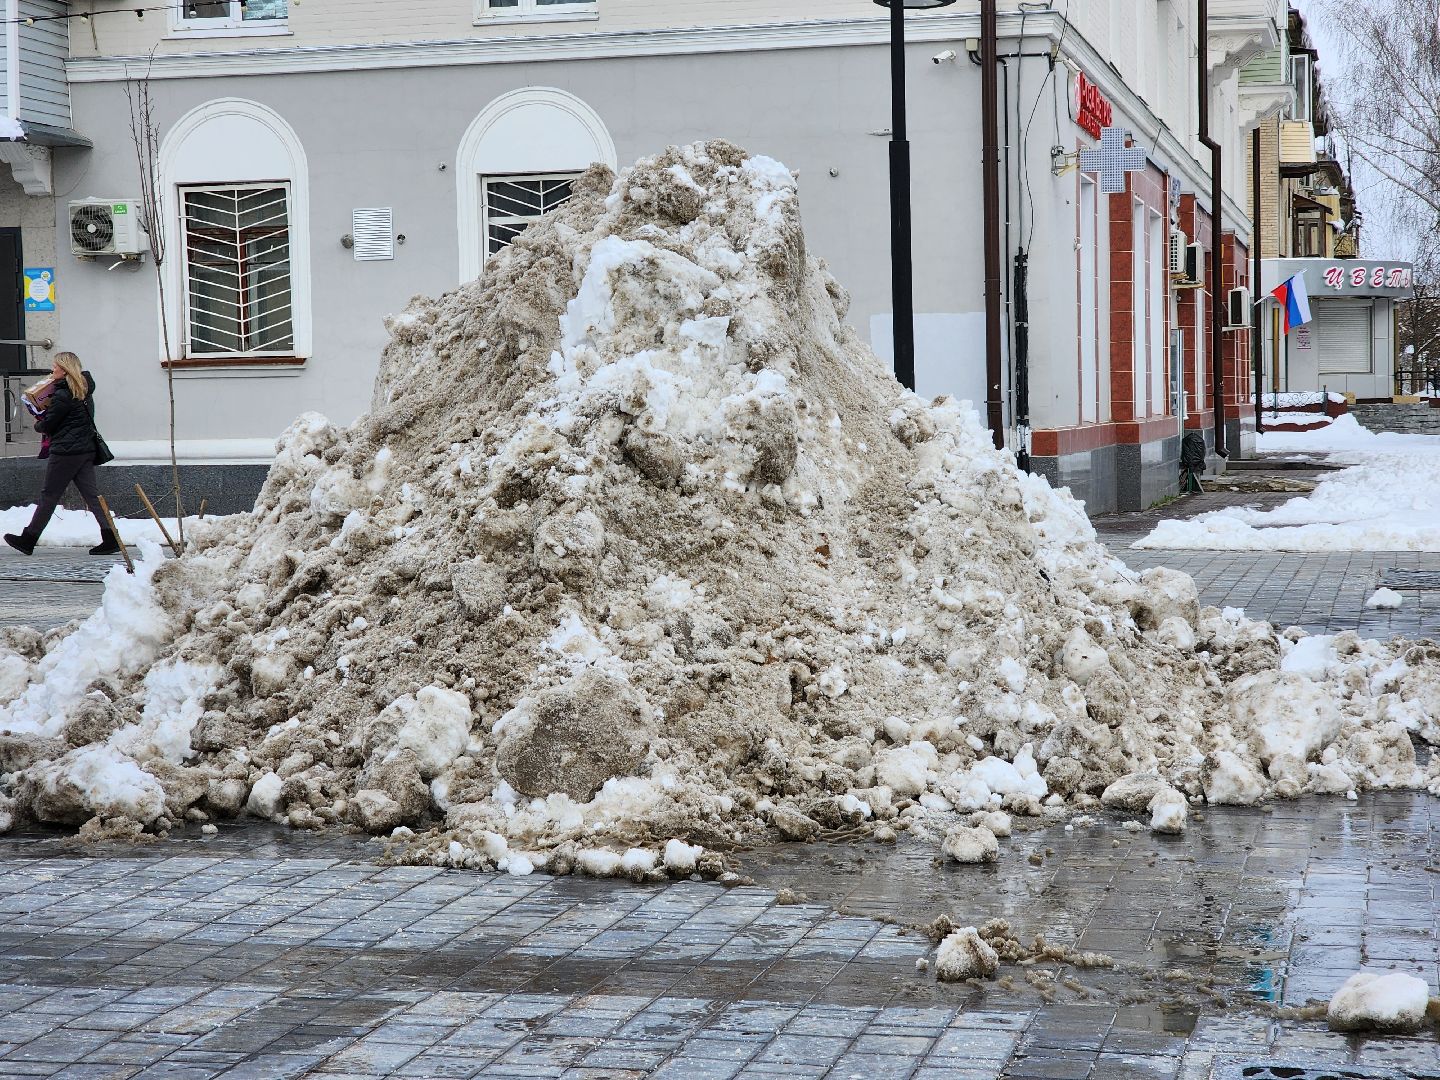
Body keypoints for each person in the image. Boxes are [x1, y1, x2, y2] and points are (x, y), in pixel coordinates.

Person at [3, 352, 119, 556]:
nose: (52, 370)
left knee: (49, 495)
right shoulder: (83, 389)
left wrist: (38, 422)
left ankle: (28, 539)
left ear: (64, 370)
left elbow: (49, 424)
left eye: (55, 367)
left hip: (66, 452)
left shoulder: (63, 394)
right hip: (85, 449)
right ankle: (111, 538)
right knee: (92, 496)